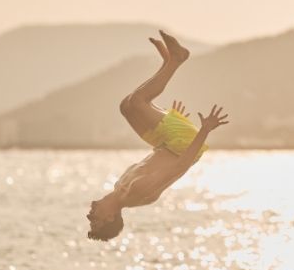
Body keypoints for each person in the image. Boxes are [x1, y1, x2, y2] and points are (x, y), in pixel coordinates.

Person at [87, 30, 229, 241]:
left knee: (127, 106)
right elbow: (181, 166)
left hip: (166, 143)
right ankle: (176, 60)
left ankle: (169, 62)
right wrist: (204, 131)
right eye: (94, 221)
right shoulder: (137, 191)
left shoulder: (120, 187)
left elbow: (157, 159)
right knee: (137, 103)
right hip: (184, 144)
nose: (89, 215)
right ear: (110, 217)